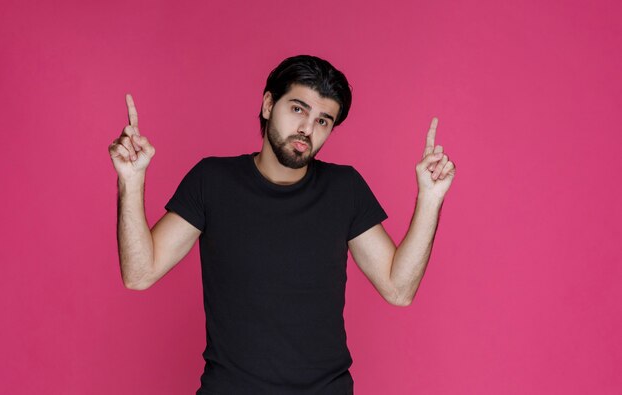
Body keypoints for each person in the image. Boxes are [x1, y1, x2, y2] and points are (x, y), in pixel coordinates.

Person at [108, 55, 456, 395]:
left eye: (323, 121)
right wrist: (131, 180)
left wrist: (430, 198)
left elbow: (398, 289)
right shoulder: (212, 181)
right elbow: (139, 274)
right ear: (268, 104)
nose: (307, 128)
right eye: (297, 109)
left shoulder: (344, 189)